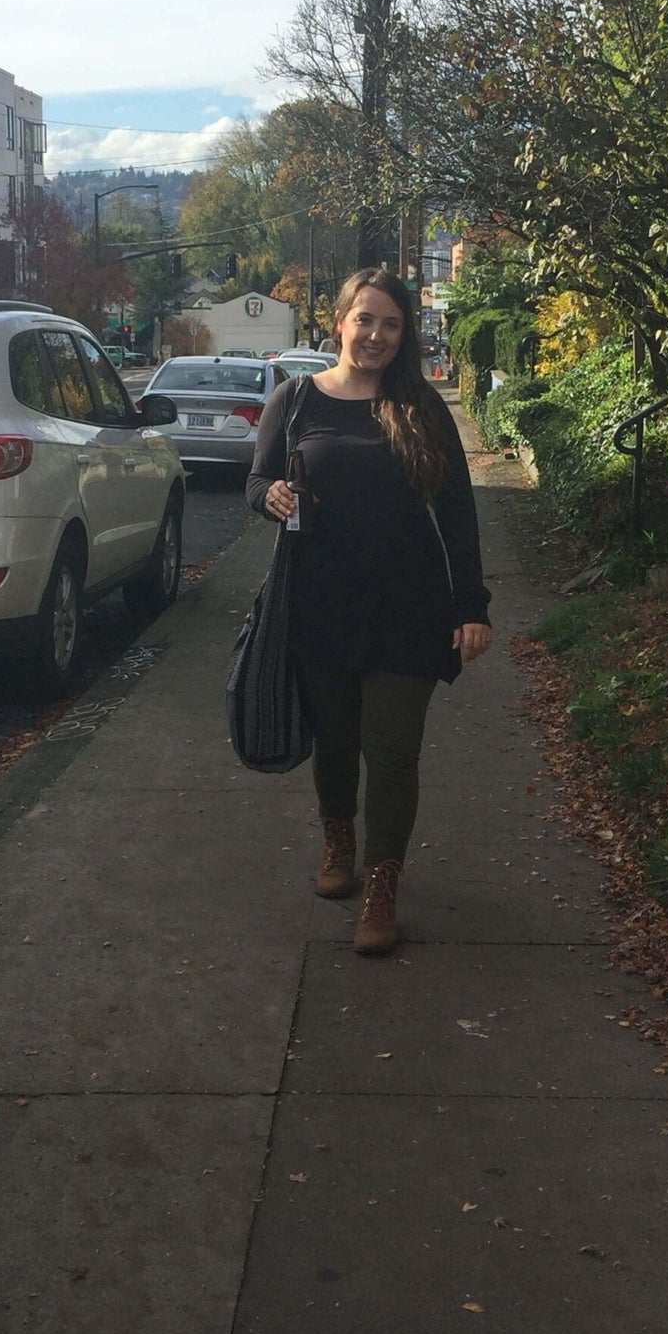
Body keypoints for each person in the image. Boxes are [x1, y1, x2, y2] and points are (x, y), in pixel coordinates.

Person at [245, 268, 492, 955]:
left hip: (410, 611)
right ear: (340, 320)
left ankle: (383, 885)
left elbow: (459, 513)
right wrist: (270, 498)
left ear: (403, 332)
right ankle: (337, 834)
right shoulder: (296, 400)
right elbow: (257, 479)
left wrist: (472, 606)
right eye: (365, 319)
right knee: (336, 740)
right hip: (320, 607)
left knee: (392, 751)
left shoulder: (421, 406)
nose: (377, 333)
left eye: (391, 323)